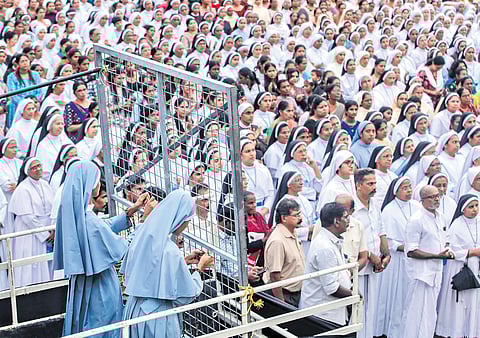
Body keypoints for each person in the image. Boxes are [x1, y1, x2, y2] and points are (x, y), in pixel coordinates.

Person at [53, 160, 151, 336]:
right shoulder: (89, 222)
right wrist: (143, 223)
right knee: (103, 327)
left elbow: (101, 229)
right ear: (90, 185)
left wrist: (130, 212)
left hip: (82, 284)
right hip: (101, 287)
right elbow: (122, 247)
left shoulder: (76, 215)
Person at [122, 190, 214, 337]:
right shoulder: (170, 251)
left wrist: (183, 262)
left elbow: (150, 269)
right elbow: (184, 295)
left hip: (134, 309)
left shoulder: (143, 236)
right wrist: (199, 269)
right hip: (157, 317)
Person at [401, 185, 454, 338]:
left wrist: (447, 250)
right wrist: (437, 256)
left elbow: (446, 239)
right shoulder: (416, 220)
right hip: (421, 274)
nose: (437, 198)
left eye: (438, 195)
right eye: (432, 196)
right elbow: (411, 251)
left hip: (436, 272)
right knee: (417, 314)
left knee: (430, 314)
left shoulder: (441, 216)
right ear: (422, 200)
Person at [375, 177, 421, 338]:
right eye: (404, 188)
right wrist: (406, 247)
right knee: (396, 297)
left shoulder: (417, 206)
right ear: (395, 191)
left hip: (414, 260)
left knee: (411, 297)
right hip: (397, 261)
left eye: (410, 187)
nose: (408, 190)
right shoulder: (389, 210)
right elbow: (388, 240)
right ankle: (392, 332)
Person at [300, 202, 352, 325]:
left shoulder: (330, 240)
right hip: (324, 315)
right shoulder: (325, 247)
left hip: (331, 312)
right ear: (336, 221)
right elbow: (331, 288)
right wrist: (354, 295)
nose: (348, 220)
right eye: (345, 217)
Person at [352, 168, 390, 338]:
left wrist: (386, 254)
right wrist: (371, 257)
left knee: (371, 307)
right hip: (359, 265)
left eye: (375, 183)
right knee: (358, 307)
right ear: (359, 186)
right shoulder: (352, 207)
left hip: (375, 265)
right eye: (370, 184)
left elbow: (380, 230)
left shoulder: (374, 204)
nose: (374, 187)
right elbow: (354, 238)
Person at [437, 194, 480, 338]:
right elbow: (452, 251)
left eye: (476, 205)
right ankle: (457, 332)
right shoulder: (456, 225)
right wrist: (472, 252)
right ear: (463, 209)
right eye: (471, 207)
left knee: (475, 302)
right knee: (460, 305)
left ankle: (472, 331)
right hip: (461, 268)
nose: (475, 210)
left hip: (477, 267)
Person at [7, 157, 53, 287]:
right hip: (29, 232)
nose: (38, 169)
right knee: (30, 264)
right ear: (27, 171)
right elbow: (28, 217)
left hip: (46, 230)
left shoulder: (45, 184)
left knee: (44, 264)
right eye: (34, 168)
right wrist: (45, 234)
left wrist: (52, 230)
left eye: (39, 166)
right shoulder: (23, 188)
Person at [263, 198, 305, 307]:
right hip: (284, 295)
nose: (300, 218)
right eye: (296, 215)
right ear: (284, 218)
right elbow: (275, 276)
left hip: (296, 293)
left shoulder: (292, 232)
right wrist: (281, 303)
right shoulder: (277, 240)